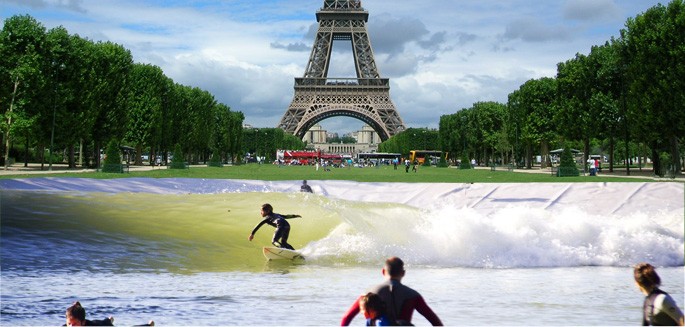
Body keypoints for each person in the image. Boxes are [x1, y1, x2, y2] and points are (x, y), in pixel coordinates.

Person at [341, 257, 443, 326]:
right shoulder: (412, 295)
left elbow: (347, 317)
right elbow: (435, 321)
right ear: (403, 273)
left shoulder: (368, 294)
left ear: (383, 271)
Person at [65, 301, 154, 326]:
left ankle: (149, 325)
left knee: (106, 322)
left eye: (75, 324)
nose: (71, 326)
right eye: (69, 324)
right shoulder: (67, 326)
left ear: (82, 323)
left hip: (101, 324)